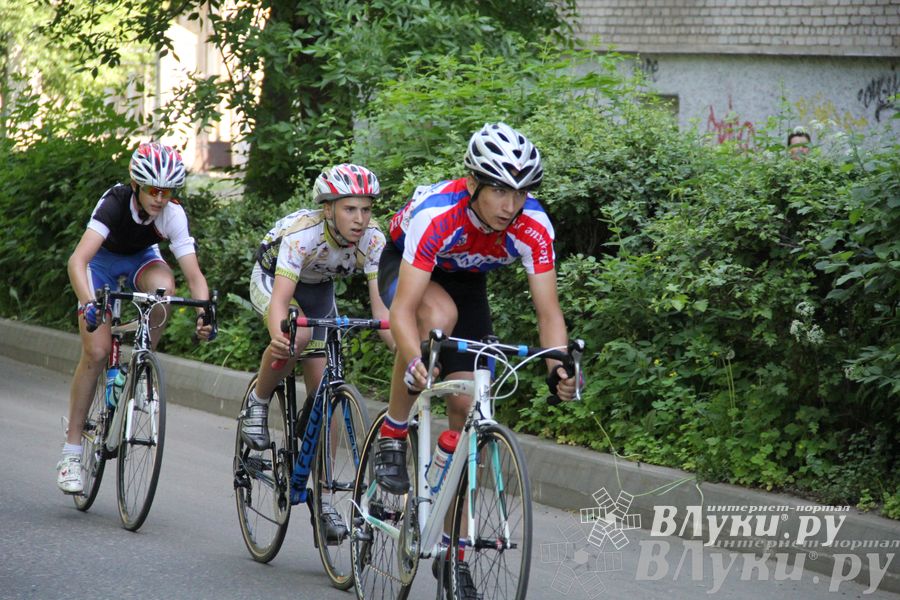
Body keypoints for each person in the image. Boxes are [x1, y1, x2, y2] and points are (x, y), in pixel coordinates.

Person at [373, 122, 578, 597]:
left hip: (467, 282)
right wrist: (413, 359)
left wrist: (558, 368)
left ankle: (452, 550)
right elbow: (402, 311)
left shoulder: (533, 225)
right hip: (407, 266)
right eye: (500, 191)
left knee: (468, 408)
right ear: (473, 184)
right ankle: (393, 432)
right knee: (436, 317)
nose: (511, 205)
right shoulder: (437, 214)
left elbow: (549, 313)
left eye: (520, 193)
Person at [240, 163, 394, 540]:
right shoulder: (303, 235)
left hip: (320, 289)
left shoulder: (374, 239)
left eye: (366, 209)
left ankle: (324, 501)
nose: (360, 219)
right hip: (275, 279)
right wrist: (280, 334)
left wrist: (407, 354)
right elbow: (280, 303)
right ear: (328, 209)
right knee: (297, 338)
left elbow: (383, 312)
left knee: (327, 396)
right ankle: (258, 401)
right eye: (349, 209)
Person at [58, 142, 214, 494]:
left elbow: (194, 275)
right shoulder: (114, 203)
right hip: (100, 264)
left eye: (167, 192)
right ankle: (71, 451)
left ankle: (141, 364)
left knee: (164, 291)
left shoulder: (172, 214)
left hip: (142, 258)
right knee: (97, 352)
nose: (159, 198)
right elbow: (77, 261)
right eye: (152, 190)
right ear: (136, 185)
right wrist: (89, 303)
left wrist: (204, 312)